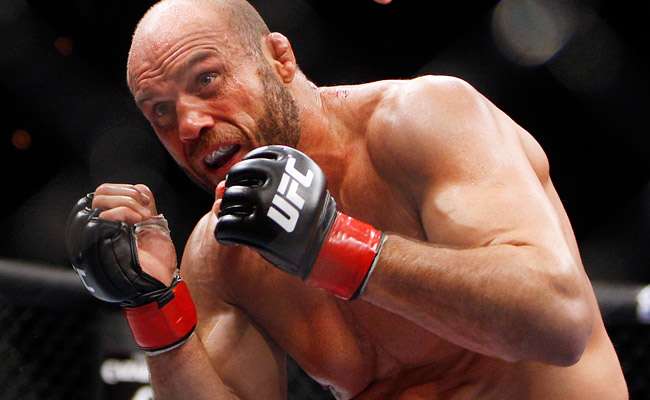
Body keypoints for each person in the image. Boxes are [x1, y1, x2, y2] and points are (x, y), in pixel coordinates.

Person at [65, 0, 628, 398]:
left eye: (207, 80)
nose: (188, 124)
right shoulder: (219, 256)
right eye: (161, 112)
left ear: (279, 59)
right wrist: (157, 311)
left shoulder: (422, 122)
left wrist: (335, 247)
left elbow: (558, 322)